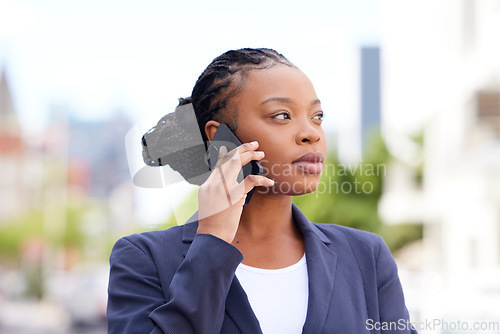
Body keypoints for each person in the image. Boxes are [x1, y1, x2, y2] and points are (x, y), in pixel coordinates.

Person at [107, 48, 417, 334]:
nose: (311, 133)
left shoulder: (366, 255)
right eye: (281, 115)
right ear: (221, 138)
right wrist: (212, 240)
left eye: (317, 116)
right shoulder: (144, 258)